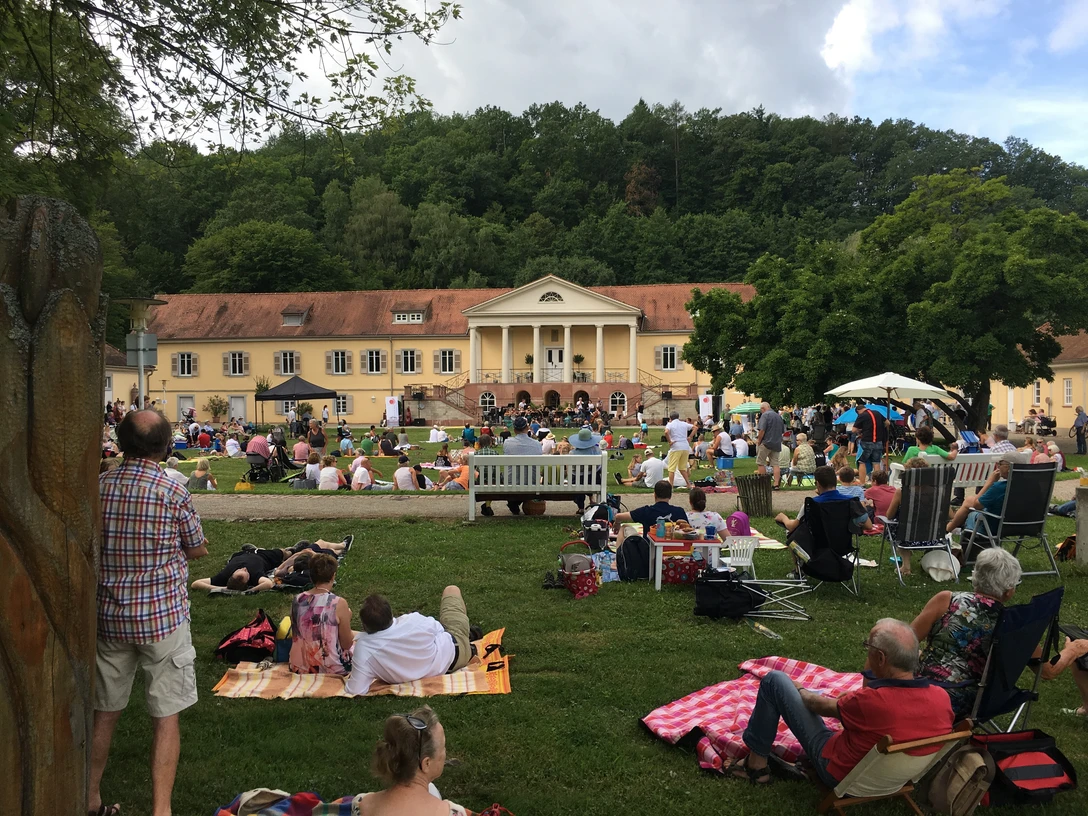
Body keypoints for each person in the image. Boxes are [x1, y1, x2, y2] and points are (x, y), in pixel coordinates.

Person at [91, 410, 209, 816]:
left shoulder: (99, 487)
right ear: (164, 446)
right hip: (162, 618)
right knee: (166, 714)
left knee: (104, 711)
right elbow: (196, 547)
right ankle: (162, 810)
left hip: (109, 614)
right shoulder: (173, 490)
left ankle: (89, 795)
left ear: (121, 443)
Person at [730, 619, 955, 787]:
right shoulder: (941, 697)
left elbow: (814, 705)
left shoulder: (870, 701)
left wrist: (798, 688)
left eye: (868, 648)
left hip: (842, 773)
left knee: (774, 681)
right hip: (895, 779)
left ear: (880, 658)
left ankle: (756, 766)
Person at [911, 548, 1021, 716]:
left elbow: (905, 640)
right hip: (964, 701)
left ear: (975, 578)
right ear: (1009, 591)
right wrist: (1073, 650)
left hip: (918, 687)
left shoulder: (946, 600)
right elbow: (1048, 671)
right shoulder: (1012, 622)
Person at [345, 587, 474, 696]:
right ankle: (469, 636)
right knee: (451, 589)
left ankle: (470, 635)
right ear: (390, 614)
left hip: (449, 661)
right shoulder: (413, 621)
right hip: (457, 650)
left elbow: (356, 690)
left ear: (364, 625)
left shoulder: (364, 650)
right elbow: (440, 630)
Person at [354, 706, 468, 815]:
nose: (445, 752)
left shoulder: (360, 805)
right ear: (426, 763)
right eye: (443, 747)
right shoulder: (454, 812)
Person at [290, 553, 354, 676]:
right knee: (361, 645)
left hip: (300, 666)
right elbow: (347, 644)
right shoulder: (338, 603)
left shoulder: (297, 599)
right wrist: (348, 619)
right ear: (333, 576)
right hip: (331, 669)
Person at [946, 453, 1018, 537]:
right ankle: (951, 527)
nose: (997, 467)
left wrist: (989, 482)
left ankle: (948, 529)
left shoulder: (999, 488)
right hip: (1021, 525)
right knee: (969, 500)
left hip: (993, 526)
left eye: (1000, 464)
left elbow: (976, 505)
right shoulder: (1030, 486)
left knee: (971, 508)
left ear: (1008, 468)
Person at [500, 416, 543, 515]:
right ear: (527, 428)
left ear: (514, 430)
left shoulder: (507, 443)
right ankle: (518, 502)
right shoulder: (536, 444)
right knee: (527, 475)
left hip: (512, 481)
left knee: (509, 475)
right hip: (532, 481)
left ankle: (513, 502)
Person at [614, 480, 688, 536]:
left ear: (654, 495)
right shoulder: (679, 511)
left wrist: (617, 523)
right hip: (674, 550)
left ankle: (619, 555)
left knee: (624, 527)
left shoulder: (645, 511)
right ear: (670, 496)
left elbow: (618, 516)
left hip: (649, 550)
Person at [851, 402, 888, 484]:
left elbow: (853, 430)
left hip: (867, 441)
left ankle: (862, 483)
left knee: (862, 461)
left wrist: (861, 429)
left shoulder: (862, 415)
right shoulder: (877, 413)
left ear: (858, 411)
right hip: (878, 441)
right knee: (876, 462)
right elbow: (887, 423)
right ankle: (877, 483)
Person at [755, 402, 785, 488]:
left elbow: (762, 430)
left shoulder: (765, 415)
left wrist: (759, 441)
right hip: (776, 443)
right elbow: (782, 431)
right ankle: (776, 484)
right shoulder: (778, 416)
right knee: (775, 464)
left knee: (760, 462)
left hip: (766, 442)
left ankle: (763, 483)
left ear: (762, 409)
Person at [664, 410, 694, 489]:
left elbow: (666, 432)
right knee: (682, 468)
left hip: (676, 447)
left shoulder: (670, 424)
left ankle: (671, 485)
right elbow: (695, 427)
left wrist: (670, 441)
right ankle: (688, 484)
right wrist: (690, 436)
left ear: (670, 418)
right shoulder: (684, 424)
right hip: (685, 447)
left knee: (671, 468)